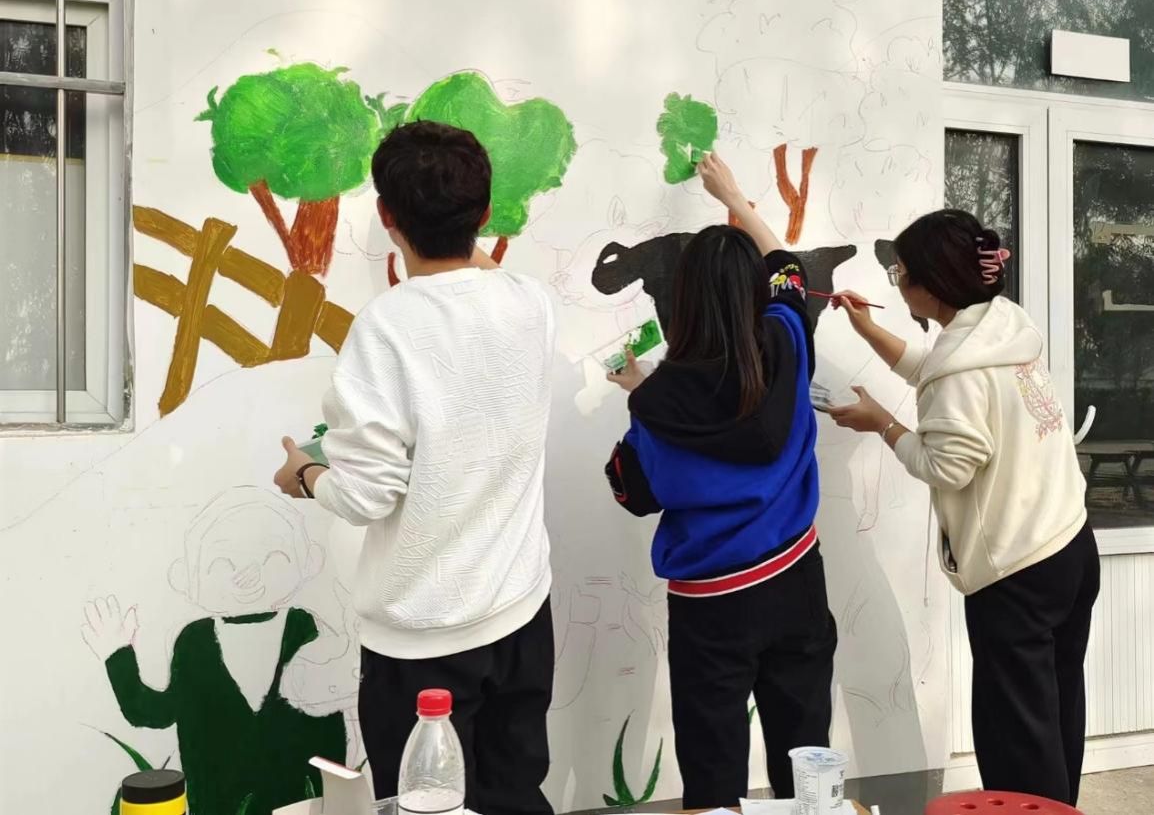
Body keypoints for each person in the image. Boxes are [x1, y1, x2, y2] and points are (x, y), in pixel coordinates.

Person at [274, 121, 556, 815]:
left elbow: (366, 496)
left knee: (425, 809)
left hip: (422, 639)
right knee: (516, 797)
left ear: (386, 216)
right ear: (485, 214)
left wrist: (305, 475)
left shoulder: (385, 328)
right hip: (521, 615)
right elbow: (478, 273)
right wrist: (460, 225)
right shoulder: (531, 304)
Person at [828, 209, 1098, 806]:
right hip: (1070, 546)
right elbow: (942, 371)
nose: (897, 282)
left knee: (1019, 739)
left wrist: (883, 423)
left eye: (900, 272)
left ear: (931, 285)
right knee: (1055, 715)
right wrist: (868, 331)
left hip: (1018, 570)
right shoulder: (1004, 325)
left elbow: (946, 465)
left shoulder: (959, 368)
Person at [604, 152, 837, 807]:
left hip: (710, 604)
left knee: (712, 775)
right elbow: (789, 270)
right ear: (754, 295)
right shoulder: (787, 339)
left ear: (679, 301)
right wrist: (734, 197)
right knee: (807, 763)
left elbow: (632, 492)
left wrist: (638, 392)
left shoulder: (658, 406)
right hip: (795, 580)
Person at [80, 488, 347, 815]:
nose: (248, 575)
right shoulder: (195, 642)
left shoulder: (304, 630)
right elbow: (153, 712)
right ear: (185, 578)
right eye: (222, 562)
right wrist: (117, 655)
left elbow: (328, 721)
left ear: (310, 562)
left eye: (274, 556)